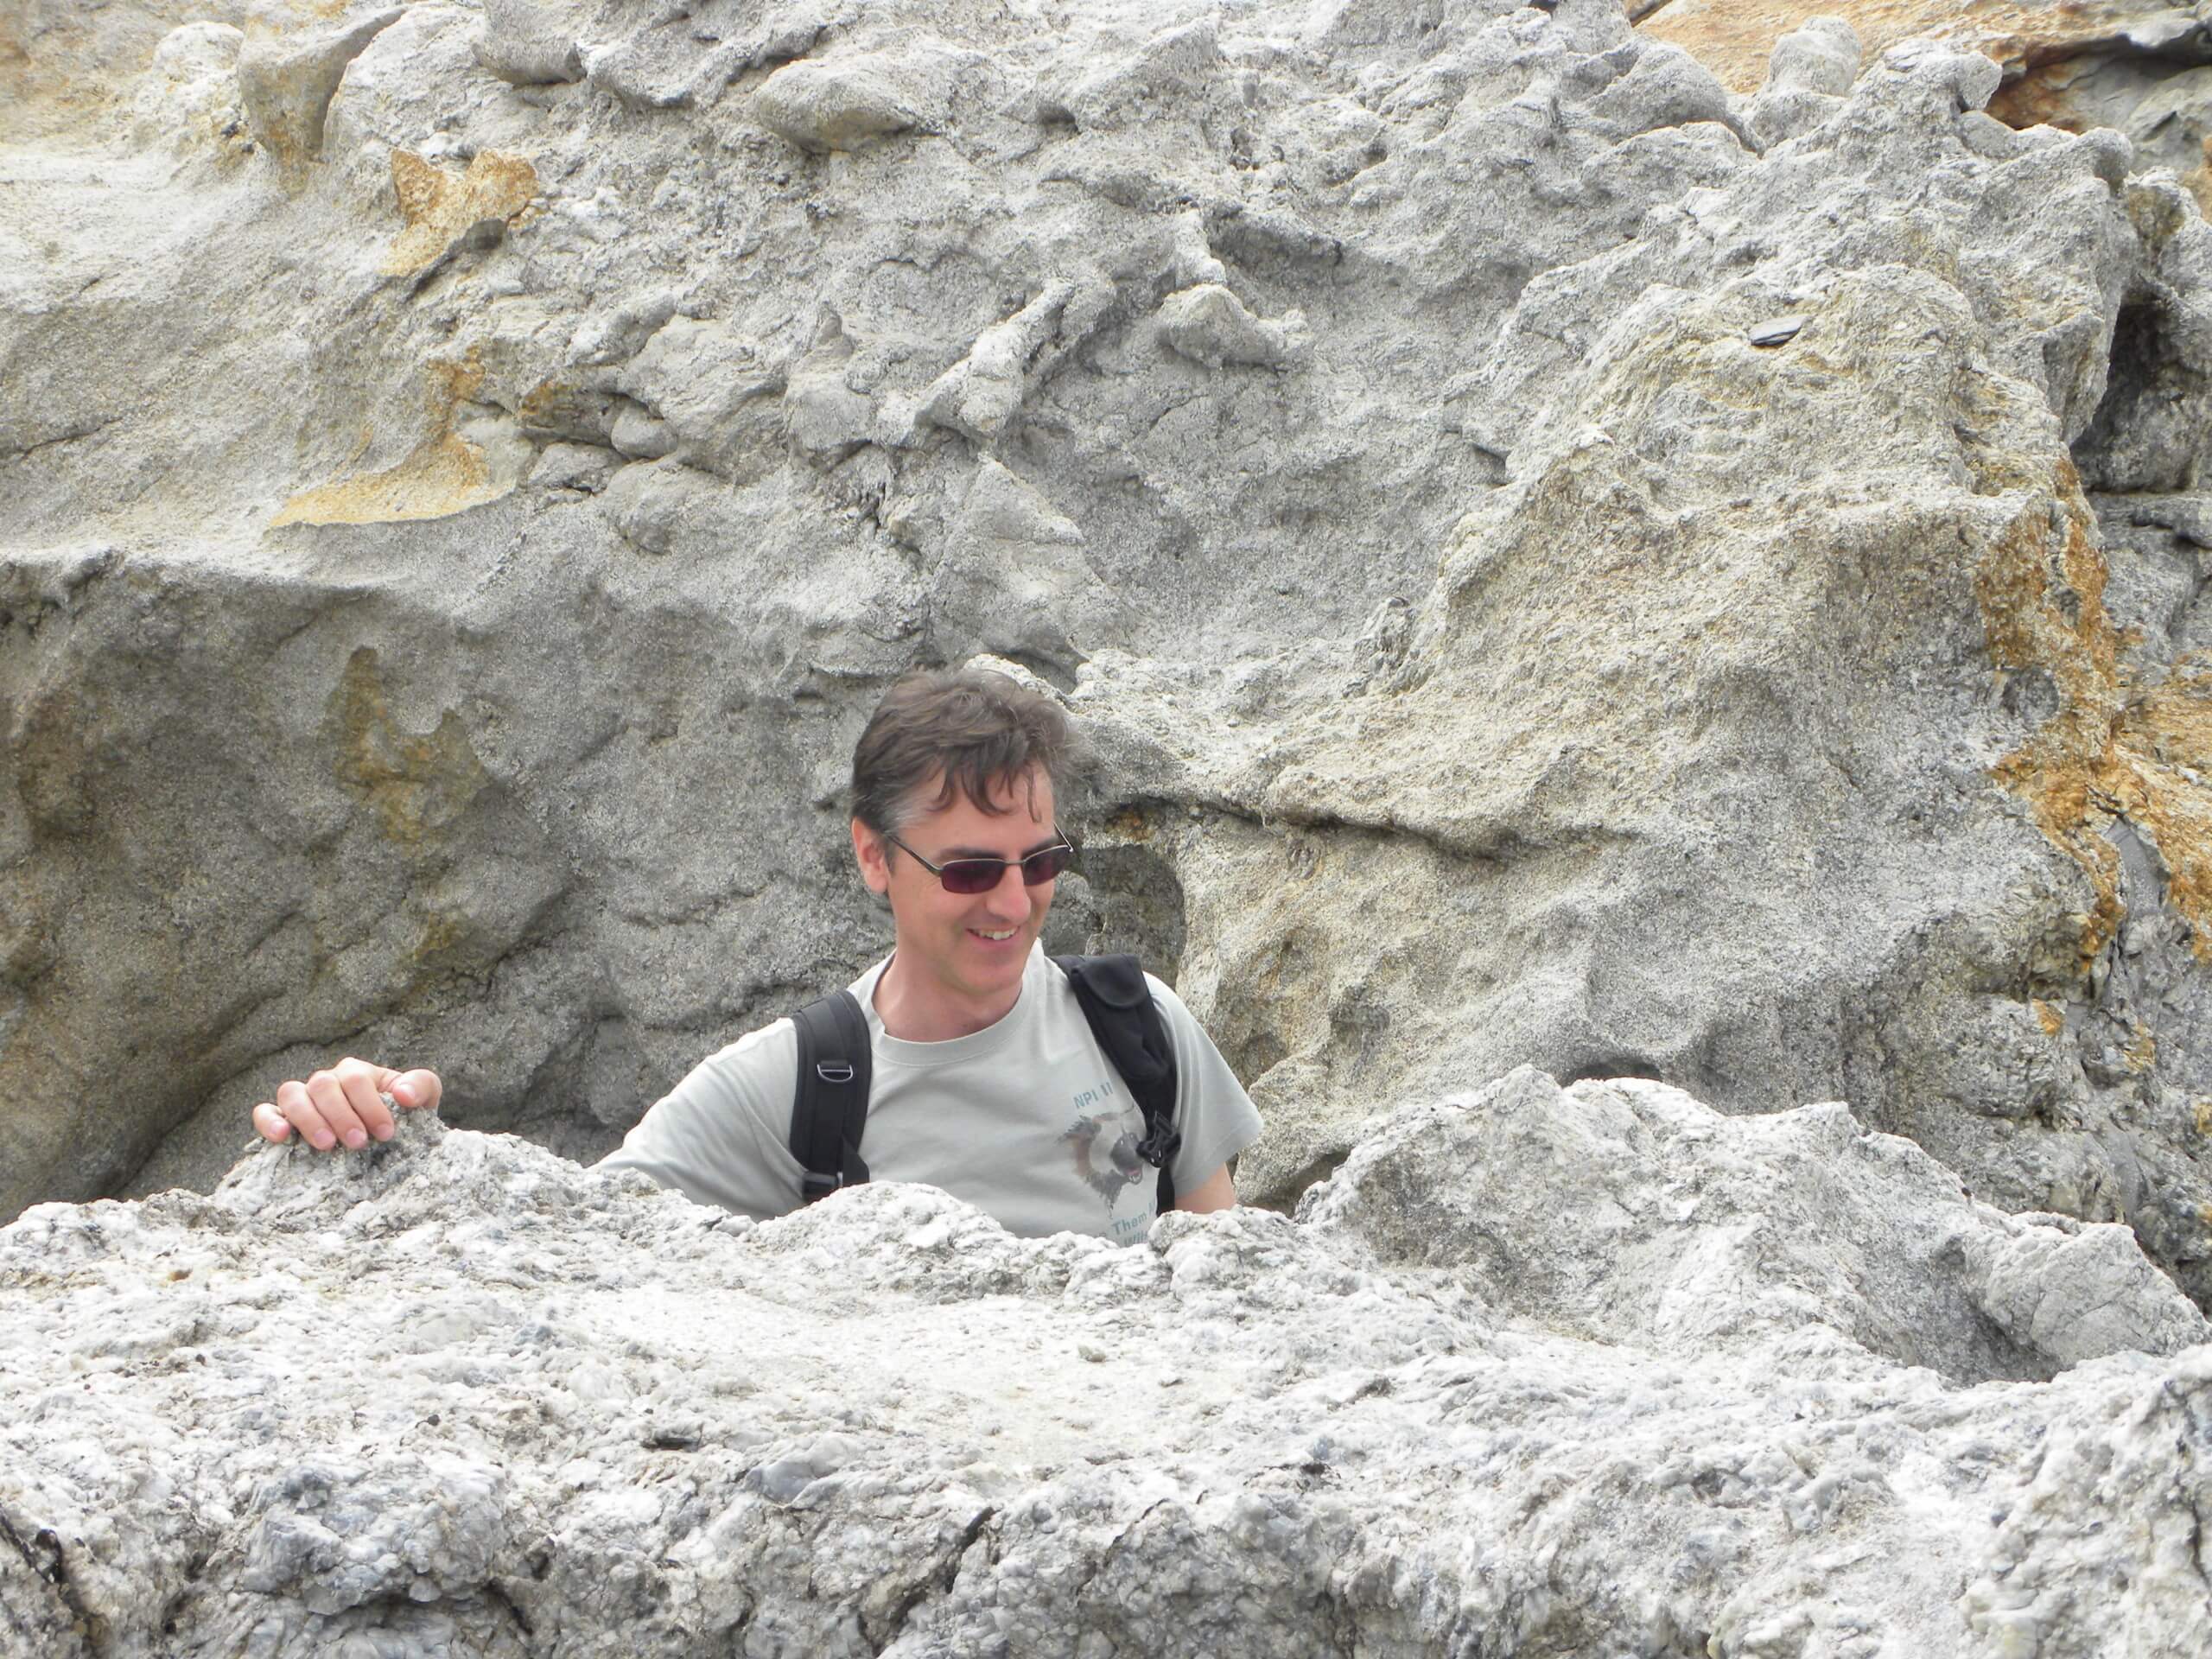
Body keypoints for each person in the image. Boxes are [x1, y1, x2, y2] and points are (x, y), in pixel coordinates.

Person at [251, 667, 1262, 1242]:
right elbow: (561, 1243)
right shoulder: (795, 1086)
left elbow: (1232, 1294)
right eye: (967, 872)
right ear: (875, 856)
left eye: (1039, 862)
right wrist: (371, 1122)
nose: (1013, 902)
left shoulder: (1139, 1032)